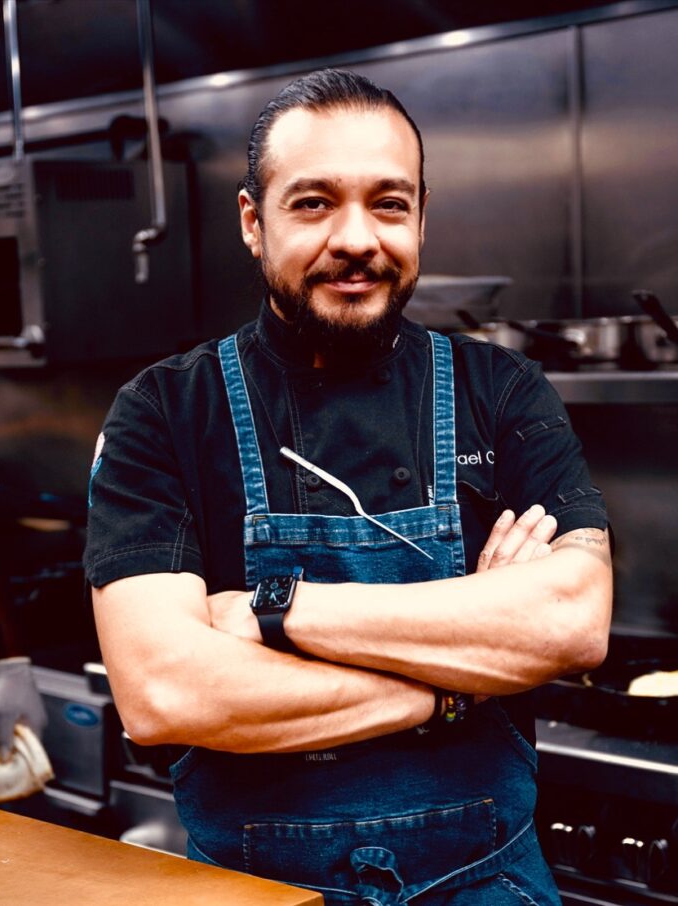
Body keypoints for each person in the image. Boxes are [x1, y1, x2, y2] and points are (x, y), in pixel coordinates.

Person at [84, 69, 612, 904]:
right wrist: (455, 685)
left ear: (422, 218)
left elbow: (571, 623)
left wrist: (277, 612)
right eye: (313, 203)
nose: (357, 238)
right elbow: (165, 692)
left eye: (389, 204)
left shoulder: (503, 390)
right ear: (253, 222)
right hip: (254, 892)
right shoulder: (165, 412)